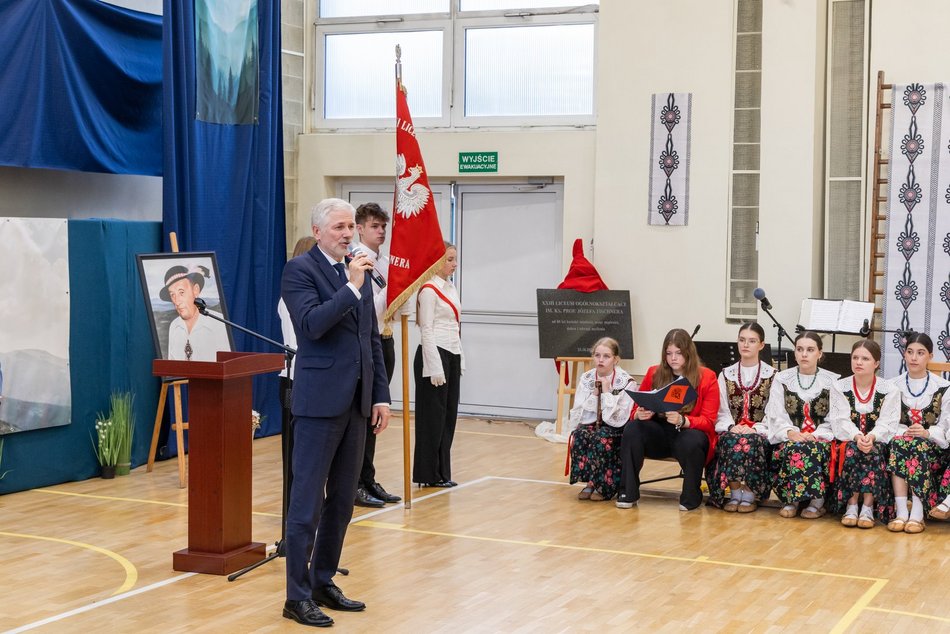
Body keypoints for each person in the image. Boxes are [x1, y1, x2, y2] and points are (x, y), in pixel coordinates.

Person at [280, 198, 391, 627]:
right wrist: (350, 286)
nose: (348, 234)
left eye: (350, 227)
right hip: (318, 404)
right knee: (307, 502)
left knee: (343, 501)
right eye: (340, 227)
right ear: (320, 230)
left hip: (357, 404)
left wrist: (380, 396)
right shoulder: (300, 271)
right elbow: (311, 325)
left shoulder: (357, 271)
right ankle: (296, 595)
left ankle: (323, 579)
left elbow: (369, 340)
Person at [617, 328, 720, 511]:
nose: (673, 358)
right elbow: (636, 406)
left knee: (692, 439)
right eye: (669, 353)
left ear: (688, 353)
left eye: (679, 353)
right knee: (633, 429)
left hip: (687, 433)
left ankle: (690, 496)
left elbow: (709, 421)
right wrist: (638, 414)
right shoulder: (654, 373)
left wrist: (684, 421)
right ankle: (628, 492)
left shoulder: (707, 377)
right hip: (659, 434)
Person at [353, 202, 401, 508]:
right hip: (367, 343)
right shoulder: (358, 261)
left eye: (383, 226)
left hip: (385, 340)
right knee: (364, 416)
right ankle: (355, 482)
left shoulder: (382, 262)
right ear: (359, 228)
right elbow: (368, 308)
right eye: (374, 226)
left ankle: (368, 477)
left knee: (377, 415)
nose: (381, 231)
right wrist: (395, 289)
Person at [765, 331, 839, 519]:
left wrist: (816, 434)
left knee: (812, 448)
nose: (804, 354)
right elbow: (775, 413)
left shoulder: (833, 381)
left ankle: (817, 501)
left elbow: (836, 416)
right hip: (791, 438)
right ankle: (792, 499)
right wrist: (789, 432)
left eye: (810, 350)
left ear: (820, 354)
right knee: (795, 447)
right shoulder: (781, 379)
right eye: (800, 349)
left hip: (821, 438)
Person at [828, 339, 899, 529]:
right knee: (852, 449)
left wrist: (872, 436)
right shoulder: (839, 386)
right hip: (849, 439)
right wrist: (858, 436)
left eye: (865, 359)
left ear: (876, 364)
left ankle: (867, 507)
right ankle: (851, 505)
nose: (858, 362)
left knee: (873, 451)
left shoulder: (890, 389)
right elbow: (839, 419)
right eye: (855, 357)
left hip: (878, 440)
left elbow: (888, 422)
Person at [705, 322, 774, 513]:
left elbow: (773, 411)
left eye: (752, 341)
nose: (746, 345)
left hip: (760, 430)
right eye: (742, 340)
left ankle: (750, 493)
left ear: (761, 345)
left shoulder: (773, 375)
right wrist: (730, 426)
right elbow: (721, 407)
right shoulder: (726, 374)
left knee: (752, 441)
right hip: (732, 428)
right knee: (730, 440)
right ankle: (735, 492)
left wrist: (757, 428)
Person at [887, 332, 950, 533]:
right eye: (910, 352)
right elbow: (887, 421)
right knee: (901, 443)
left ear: (930, 356)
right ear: (904, 354)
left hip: (932, 448)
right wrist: (903, 431)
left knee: (918, 445)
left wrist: (927, 433)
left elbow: (944, 427)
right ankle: (901, 512)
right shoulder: (893, 386)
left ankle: (917, 510)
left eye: (920, 353)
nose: (914, 358)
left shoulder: (943, 388)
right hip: (900, 443)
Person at [413, 242, 464, 488]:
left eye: (455, 259)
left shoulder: (450, 287)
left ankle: (442, 472)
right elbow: (427, 330)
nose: (455, 264)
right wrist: (434, 366)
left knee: (448, 417)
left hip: (451, 353)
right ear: (436, 261)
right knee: (431, 418)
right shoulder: (429, 290)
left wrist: (460, 358)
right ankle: (427, 473)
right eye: (450, 259)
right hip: (434, 355)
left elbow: (455, 326)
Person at [568, 337, 637, 501]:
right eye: (597, 355)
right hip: (594, 423)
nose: (600, 360)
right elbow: (580, 414)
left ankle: (604, 486)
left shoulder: (626, 382)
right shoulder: (586, 378)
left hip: (617, 427)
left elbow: (619, 418)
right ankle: (590, 482)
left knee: (601, 438)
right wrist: (594, 394)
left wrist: (606, 392)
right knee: (580, 435)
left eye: (606, 356)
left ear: (616, 359)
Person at [162, 264, 231, 361]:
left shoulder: (218, 323)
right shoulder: (173, 326)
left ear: (195, 290)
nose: (176, 301)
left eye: (181, 292)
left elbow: (227, 368)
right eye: (172, 295)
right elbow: (172, 368)